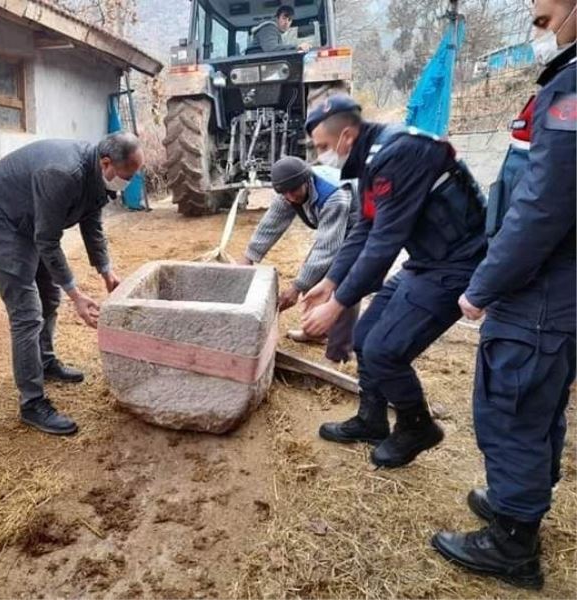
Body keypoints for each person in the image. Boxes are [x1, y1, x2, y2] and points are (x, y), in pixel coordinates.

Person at [432, 0, 576, 589]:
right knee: (538, 405)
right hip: (556, 291)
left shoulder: (570, 91)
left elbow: (543, 205)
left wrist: (484, 284)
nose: (536, 28)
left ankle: (513, 543)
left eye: (543, 21)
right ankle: (521, 502)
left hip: (537, 292)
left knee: (510, 408)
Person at [300, 95, 487, 467]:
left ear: (347, 137)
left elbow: (385, 243)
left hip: (457, 263)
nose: (321, 155)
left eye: (323, 147)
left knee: (387, 350)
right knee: (365, 338)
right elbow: (366, 227)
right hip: (426, 261)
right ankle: (372, 420)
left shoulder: (398, 154)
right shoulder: (371, 158)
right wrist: (332, 281)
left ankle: (417, 426)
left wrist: (336, 306)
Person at [0, 132, 143, 436]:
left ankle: (45, 362)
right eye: (128, 176)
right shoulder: (62, 174)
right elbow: (47, 241)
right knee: (27, 315)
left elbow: (92, 222)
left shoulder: (95, 174)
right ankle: (32, 404)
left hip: (27, 222)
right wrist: (76, 294)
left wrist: (106, 272)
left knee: (49, 297)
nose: (129, 182)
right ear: (106, 163)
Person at [239, 156, 360, 363]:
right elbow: (271, 224)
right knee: (312, 276)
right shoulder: (287, 191)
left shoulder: (334, 196)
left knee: (346, 284)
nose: (290, 197)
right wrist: (248, 257)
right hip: (335, 228)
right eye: (284, 193)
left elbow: (326, 249)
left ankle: (340, 351)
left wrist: (296, 287)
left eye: (294, 191)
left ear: (307, 181)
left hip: (361, 228)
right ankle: (316, 333)